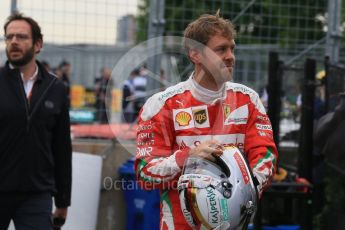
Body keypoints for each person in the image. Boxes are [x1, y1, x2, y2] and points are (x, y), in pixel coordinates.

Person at [135, 12, 278, 229]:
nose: (230, 56)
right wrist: (187, 157)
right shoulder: (162, 105)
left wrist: (242, 192)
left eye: (232, 48)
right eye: (221, 49)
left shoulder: (248, 100)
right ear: (195, 55)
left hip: (235, 223)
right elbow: (145, 173)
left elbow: (265, 156)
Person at [0, 13, 72, 230]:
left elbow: (61, 148)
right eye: (9, 37)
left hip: (36, 195)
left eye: (21, 37)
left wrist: (63, 201)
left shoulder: (56, 88)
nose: (13, 41)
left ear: (37, 44)